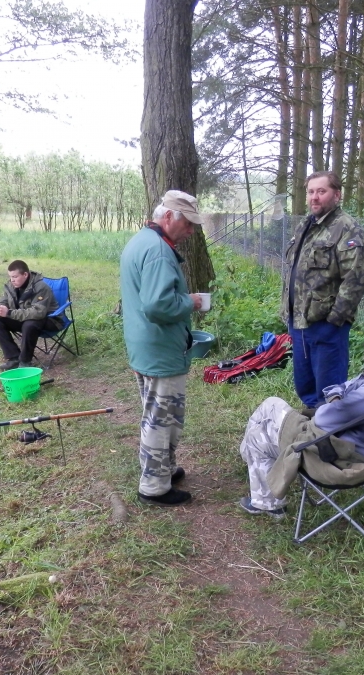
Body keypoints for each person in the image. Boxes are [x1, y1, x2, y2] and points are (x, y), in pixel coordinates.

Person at [238, 322, 364, 519]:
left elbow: (322, 418)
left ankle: (267, 502)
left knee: (262, 428)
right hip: (351, 447)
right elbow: (339, 389)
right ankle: (251, 458)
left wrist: (335, 401)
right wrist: (337, 400)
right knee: (269, 409)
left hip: (341, 459)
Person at [120, 190, 205, 507]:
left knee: (158, 413)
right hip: (159, 348)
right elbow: (158, 306)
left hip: (144, 345)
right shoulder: (158, 251)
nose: (191, 232)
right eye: (188, 224)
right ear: (168, 216)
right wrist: (190, 302)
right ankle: (154, 487)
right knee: (160, 419)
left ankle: (164, 469)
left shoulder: (142, 240)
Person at [281, 171, 364, 408]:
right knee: (305, 386)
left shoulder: (347, 228)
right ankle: (312, 424)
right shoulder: (305, 225)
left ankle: (330, 428)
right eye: (311, 191)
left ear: (337, 195)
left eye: (321, 191)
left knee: (329, 392)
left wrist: (334, 321)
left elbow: (355, 279)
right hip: (299, 321)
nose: (314, 197)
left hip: (326, 325)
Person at [0, 260, 62, 371]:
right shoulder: (10, 285)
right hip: (24, 317)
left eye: (15, 277)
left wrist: (8, 313)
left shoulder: (41, 287)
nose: (12, 280)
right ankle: (14, 358)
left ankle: (25, 361)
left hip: (50, 319)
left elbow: (38, 312)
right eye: (10, 277)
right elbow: (4, 300)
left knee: (30, 324)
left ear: (25, 274)